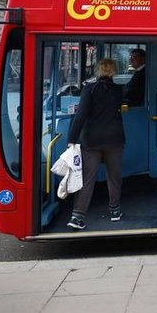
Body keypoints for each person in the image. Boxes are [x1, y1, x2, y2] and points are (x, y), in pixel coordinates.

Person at [66, 58, 126, 230]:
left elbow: (81, 116)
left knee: (87, 178)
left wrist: (72, 139)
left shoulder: (89, 89)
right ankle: (115, 211)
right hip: (114, 138)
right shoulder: (118, 90)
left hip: (91, 139)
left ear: (98, 70)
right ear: (113, 71)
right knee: (114, 177)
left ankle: (78, 216)